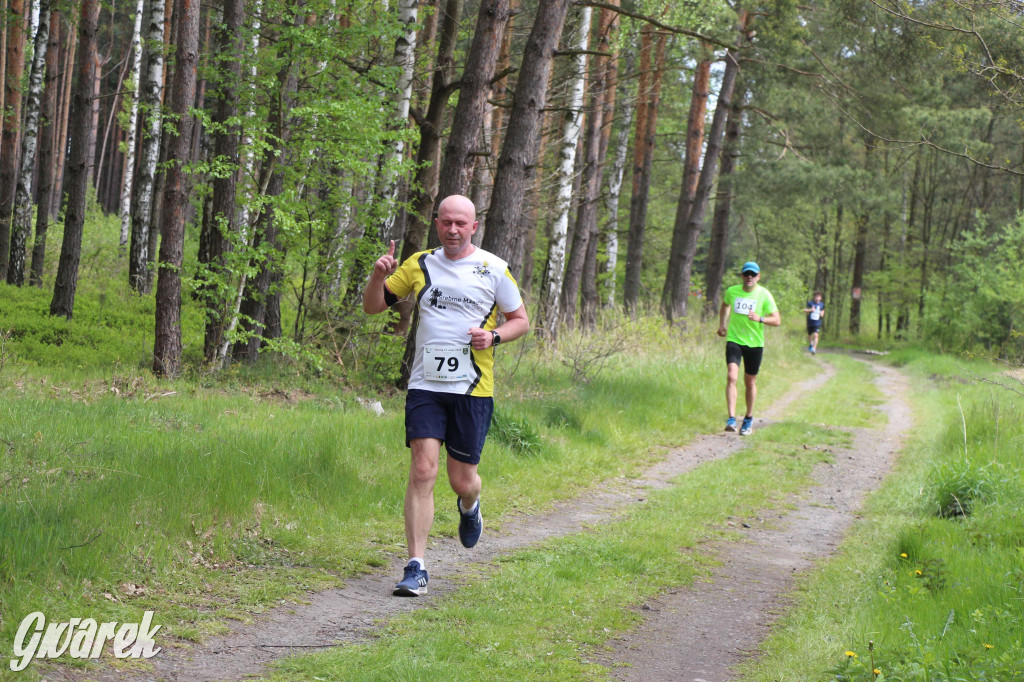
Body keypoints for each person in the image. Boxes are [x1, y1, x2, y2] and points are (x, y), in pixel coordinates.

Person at [363, 195, 530, 597]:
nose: (452, 230)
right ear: (437, 224)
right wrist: (376, 276)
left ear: (473, 227)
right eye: (446, 222)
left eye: (461, 223)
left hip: (472, 389)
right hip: (425, 385)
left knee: (462, 480)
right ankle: (416, 566)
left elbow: (520, 321)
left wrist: (492, 337)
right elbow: (372, 307)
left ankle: (470, 506)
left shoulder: (494, 268)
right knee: (422, 470)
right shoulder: (419, 263)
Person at [717, 261, 781, 436]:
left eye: (753, 275)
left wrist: (760, 319)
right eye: (746, 274)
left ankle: (748, 419)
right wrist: (722, 324)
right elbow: (725, 305)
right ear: (742, 276)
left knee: (750, 382)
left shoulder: (764, 295)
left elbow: (776, 320)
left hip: (755, 344)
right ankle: (731, 419)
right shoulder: (732, 291)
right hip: (734, 340)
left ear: (758, 277)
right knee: (732, 376)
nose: (749, 277)